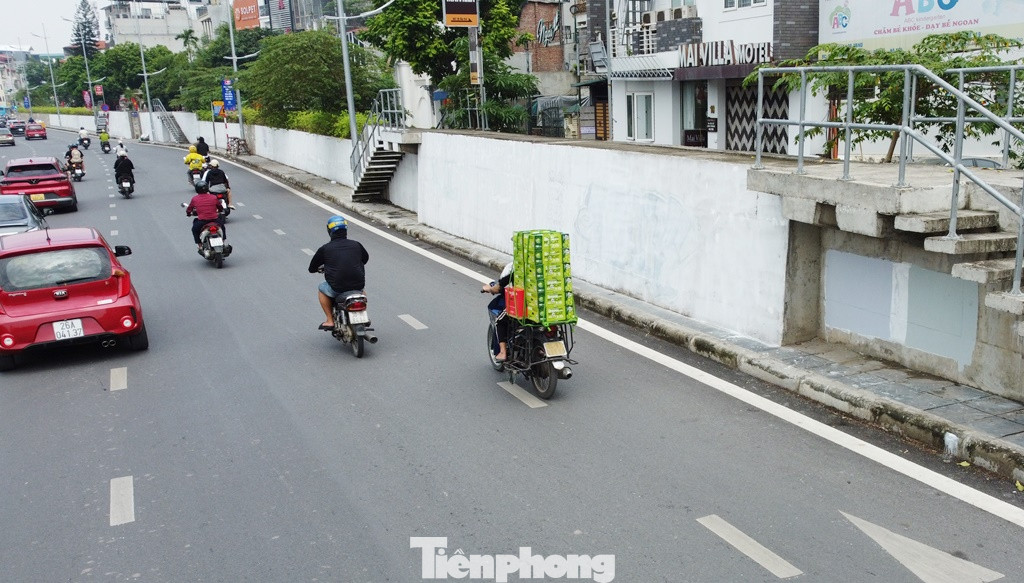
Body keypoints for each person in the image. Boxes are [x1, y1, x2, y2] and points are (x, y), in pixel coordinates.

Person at [308, 216, 368, 330]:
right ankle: (363, 316)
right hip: (358, 285)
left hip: (337, 288)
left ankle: (330, 320)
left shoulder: (325, 249)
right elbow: (365, 259)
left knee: (322, 288)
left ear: (329, 230)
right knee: (361, 292)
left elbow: (312, 268)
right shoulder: (356, 244)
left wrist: (322, 267)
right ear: (345, 229)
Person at [482, 262, 514, 362]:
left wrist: (491, 288)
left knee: (499, 320)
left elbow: (499, 287)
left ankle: (503, 352)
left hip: (522, 307)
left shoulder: (514, 268)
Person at [185, 180, 226, 252]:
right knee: (222, 227)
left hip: (202, 221)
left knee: (194, 230)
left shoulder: (195, 199)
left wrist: (188, 214)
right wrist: (220, 210)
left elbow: (189, 209)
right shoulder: (213, 197)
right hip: (214, 219)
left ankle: (200, 246)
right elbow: (220, 207)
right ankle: (223, 242)